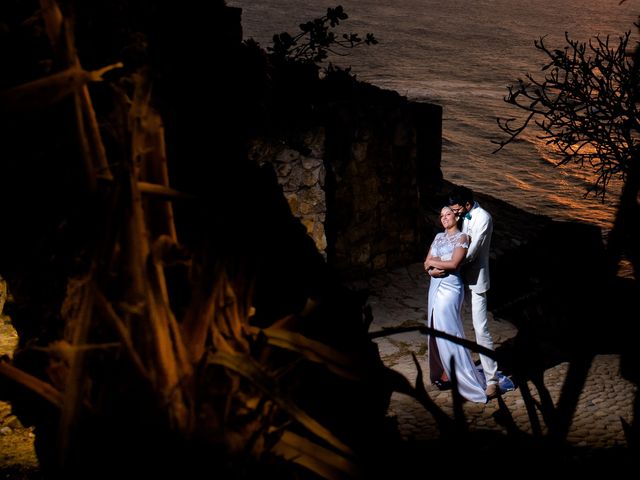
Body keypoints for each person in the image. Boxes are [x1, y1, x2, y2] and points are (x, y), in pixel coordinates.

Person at [423, 206, 487, 403]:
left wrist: (437, 262)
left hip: (451, 288)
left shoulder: (463, 238)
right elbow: (426, 263)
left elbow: (454, 264)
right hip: (435, 285)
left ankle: (457, 375)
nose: (444, 218)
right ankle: (444, 371)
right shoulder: (437, 237)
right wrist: (432, 270)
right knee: (435, 328)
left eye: (447, 214)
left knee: (449, 330)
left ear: (456, 216)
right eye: (441, 215)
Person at [447, 185, 500, 399]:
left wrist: (448, 263)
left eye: (458, 209)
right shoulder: (461, 214)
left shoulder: (483, 218)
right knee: (453, 324)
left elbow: (472, 252)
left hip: (476, 279)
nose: (456, 213)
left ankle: (492, 380)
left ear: (467, 205)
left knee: (480, 328)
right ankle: (456, 368)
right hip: (457, 277)